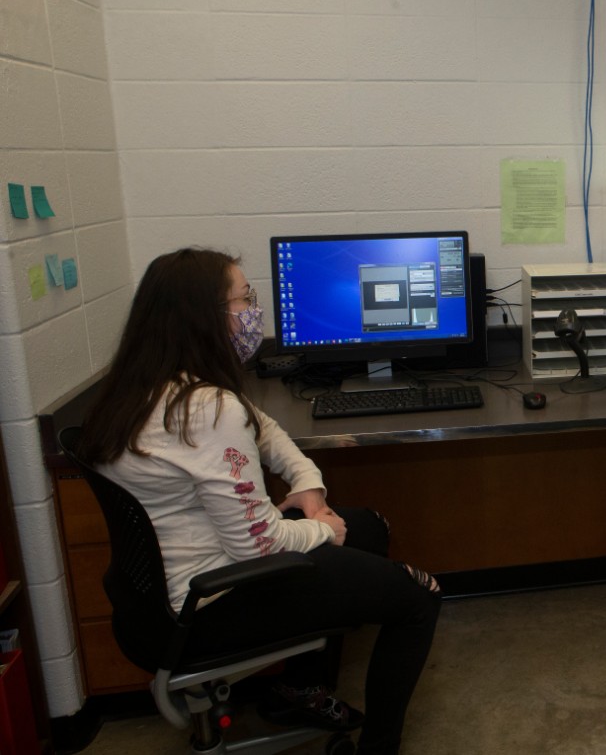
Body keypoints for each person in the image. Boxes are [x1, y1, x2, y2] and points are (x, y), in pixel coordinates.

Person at [77, 247, 441, 754]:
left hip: (160, 600)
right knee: (418, 596)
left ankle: (300, 687)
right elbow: (260, 545)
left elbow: (263, 426)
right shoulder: (206, 408)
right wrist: (322, 530)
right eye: (244, 299)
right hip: (213, 599)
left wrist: (308, 486)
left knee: (370, 528)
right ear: (204, 316)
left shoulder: (147, 388)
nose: (253, 311)